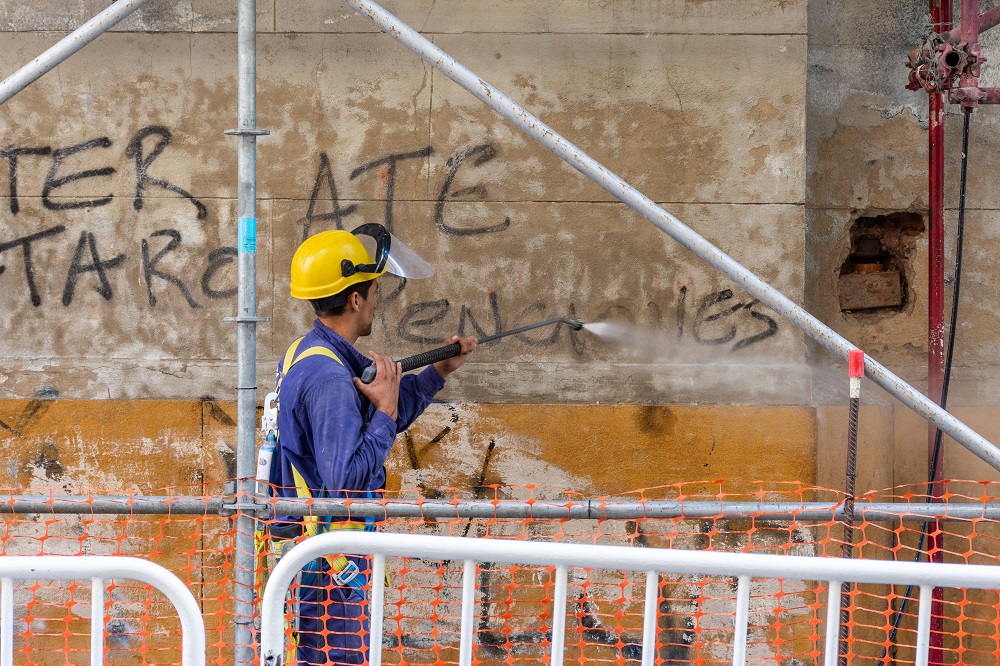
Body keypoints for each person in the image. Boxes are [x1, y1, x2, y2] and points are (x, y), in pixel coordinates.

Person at [271, 223, 476, 665]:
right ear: (355, 298)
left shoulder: (309, 354)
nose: (376, 300)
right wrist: (384, 411)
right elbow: (345, 477)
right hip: (331, 566)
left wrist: (438, 372)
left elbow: (366, 421)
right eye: (373, 290)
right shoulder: (327, 379)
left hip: (320, 556)